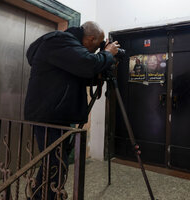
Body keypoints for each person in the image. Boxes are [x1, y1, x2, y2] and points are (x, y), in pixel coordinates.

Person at [24, 21, 120, 199]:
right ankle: (42, 196)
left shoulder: (69, 48)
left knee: (54, 163)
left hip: (57, 114)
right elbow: (87, 64)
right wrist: (106, 54)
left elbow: (83, 74)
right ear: (90, 39)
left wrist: (102, 66)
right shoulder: (60, 41)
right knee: (55, 163)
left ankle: (41, 195)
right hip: (49, 116)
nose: (96, 49)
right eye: (97, 44)